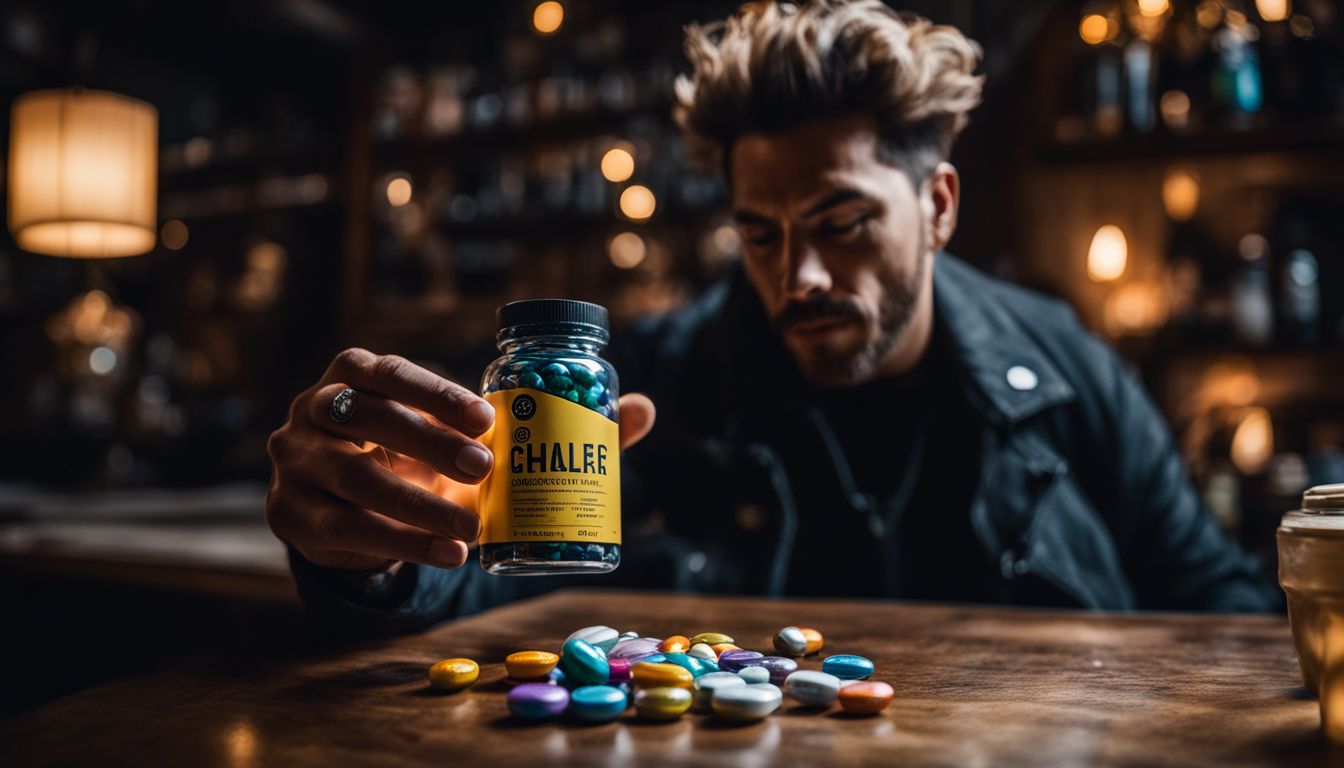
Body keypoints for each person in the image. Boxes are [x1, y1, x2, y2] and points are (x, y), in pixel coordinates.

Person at [265, 0, 1278, 634]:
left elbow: (1221, 606)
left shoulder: (1067, 366)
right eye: (761, 233)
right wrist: (380, 557)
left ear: (938, 208)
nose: (798, 276)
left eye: (842, 224)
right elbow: (497, 594)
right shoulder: (656, 383)